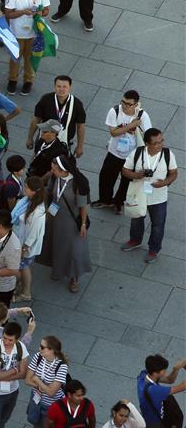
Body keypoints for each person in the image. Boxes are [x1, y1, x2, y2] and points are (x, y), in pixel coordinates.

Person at [120, 128, 178, 263]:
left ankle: (154, 249)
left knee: (158, 224)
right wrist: (137, 175)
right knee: (136, 219)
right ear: (147, 143)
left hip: (159, 197)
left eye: (161, 141)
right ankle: (135, 240)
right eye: (156, 143)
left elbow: (174, 173)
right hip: (139, 194)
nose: (160, 145)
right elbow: (125, 170)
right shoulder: (138, 153)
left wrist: (164, 183)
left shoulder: (168, 154)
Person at [37, 155, 92, 292]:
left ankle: (74, 278)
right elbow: (48, 191)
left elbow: (83, 206)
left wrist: (83, 224)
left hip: (71, 221)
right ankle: (57, 269)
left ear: (63, 170)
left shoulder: (78, 183)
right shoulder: (55, 177)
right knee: (56, 244)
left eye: (54, 169)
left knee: (74, 250)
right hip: (55, 216)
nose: (52, 171)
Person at [93, 90, 150, 212]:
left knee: (127, 182)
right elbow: (113, 133)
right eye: (123, 102)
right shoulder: (115, 111)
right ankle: (105, 200)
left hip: (132, 156)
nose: (124, 105)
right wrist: (130, 126)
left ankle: (119, 202)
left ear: (135, 104)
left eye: (128, 104)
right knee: (105, 177)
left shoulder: (142, 115)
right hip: (114, 152)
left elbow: (148, 134)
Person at [4, 0, 50, 95]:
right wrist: (23, 12)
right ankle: (12, 79)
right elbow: (8, 13)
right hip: (17, 32)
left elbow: (46, 10)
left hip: (34, 32)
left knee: (30, 58)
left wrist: (40, 14)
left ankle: (28, 81)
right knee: (15, 57)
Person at [135, 354, 186, 428]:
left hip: (146, 419)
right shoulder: (154, 391)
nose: (165, 372)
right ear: (156, 372)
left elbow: (169, 380)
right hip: (154, 426)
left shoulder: (143, 375)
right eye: (164, 370)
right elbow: (181, 387)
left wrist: (176, 369)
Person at [24, 336, 68, 428]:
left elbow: (52, 392)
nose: (39, 349)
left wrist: (37, 381)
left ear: (52, 350)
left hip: (51, 407)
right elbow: (28, 380)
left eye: (43, 347)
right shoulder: (38, 357)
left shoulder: (61, 366)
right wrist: (43, 386)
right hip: (36, 401)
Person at [27, 76, 87, 158]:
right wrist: (30, 138)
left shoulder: (77, 104)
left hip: (64, 141)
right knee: (38, 161)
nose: (61, 89)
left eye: (64, 86)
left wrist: (80, 146)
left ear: (70, 88)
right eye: (58, 86)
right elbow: (36, 119)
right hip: (44, 139)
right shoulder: (46, 99)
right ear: (54, 87)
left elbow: (81, 126)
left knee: (59, 166)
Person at [11, 176, 46, 302]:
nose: (24, 189)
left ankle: (26, 293)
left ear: (34, 191)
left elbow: (33, 234)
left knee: (23, 267)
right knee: (22, 267)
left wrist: (24, 249)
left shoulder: (37, 212)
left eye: (27, 187)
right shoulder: (28, 201)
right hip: (20, 241)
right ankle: (20, 286)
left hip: (25, 246)